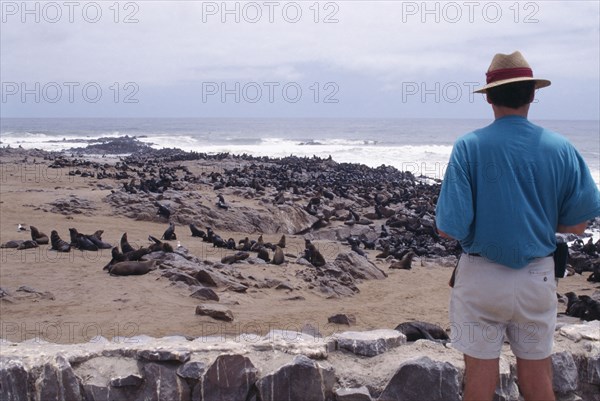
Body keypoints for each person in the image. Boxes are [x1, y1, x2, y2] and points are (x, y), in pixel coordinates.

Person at [435, 51, 600, 401]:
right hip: (536, 276)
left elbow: (450, 227)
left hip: (480, 277)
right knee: (538, 381)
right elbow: (578, 224)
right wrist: (535, 215)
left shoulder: (469, 147)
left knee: (479, 383)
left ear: (490, 98)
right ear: (532, 95)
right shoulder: (561, 148)